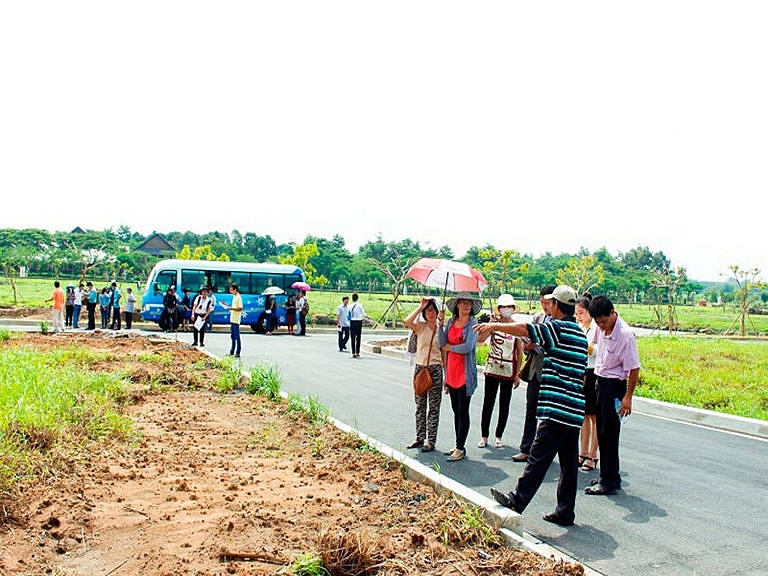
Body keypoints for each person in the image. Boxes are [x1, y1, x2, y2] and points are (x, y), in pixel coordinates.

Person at [478, 285, 587, 527]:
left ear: (557, 305)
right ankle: (565, 511)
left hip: (557, 407)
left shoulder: (557, 328)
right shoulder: (579, 333)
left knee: (538, 457)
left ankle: (516, 501)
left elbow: (527, 329)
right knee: (568, 464)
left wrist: (495, 326)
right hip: (574, 408)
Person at [584, 295, 641, 496]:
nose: (601, 326)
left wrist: (628, 397)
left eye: (604, 321)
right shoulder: (601, 329)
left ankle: (608, 481)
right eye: (598, 322)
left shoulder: (625, 335)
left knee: (609, 434)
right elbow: (595, 347)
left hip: (614, 386)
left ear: (612, 313)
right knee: (602, 432)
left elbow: (634, 368)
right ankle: (607, 476)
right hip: (601, 381)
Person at [512, 285, 556, 463]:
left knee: (549, 416)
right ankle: (526, 448)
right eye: (542, 302)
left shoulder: (560, 322)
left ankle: (544, 452)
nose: (545, 306)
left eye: (548, 303)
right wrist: (529, 346)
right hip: (535, 371)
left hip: (551, 374)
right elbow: (526, 342)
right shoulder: (537, 317)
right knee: (531, 411)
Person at [476, 294, 524, 450]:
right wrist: (490, 325)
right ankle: (484, 436)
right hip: (492, 368)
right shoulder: (494, 325)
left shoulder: (516, 327)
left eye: (509, 307)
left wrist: (517, 374)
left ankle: (498, 436)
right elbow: (480, 339)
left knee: (505, 404)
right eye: (503, 307)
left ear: (513, 308)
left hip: (508, 370)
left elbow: (519, 352)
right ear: (499, 309)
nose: (506, 309)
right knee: (488, 403)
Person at [439, 292, 481, 462]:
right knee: (456, 410)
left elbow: (468, 346)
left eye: (468, 303)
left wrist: (451, 348)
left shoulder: (473, 324)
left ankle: (460, 447)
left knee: (463, 410)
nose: (466, 306)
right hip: (451, 371)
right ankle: (458, 444)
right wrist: (440, 325)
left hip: (465, 373)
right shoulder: (451, 322)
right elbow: (442, 343)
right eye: (463, 303)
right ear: (457, 305)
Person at [404, 297, 444, 453]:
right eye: (428, 311)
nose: (431, 313)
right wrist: (421, 307)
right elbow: (407, 321)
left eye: (433, 310)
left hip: (435, 369)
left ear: (437, 311)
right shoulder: (420, 327)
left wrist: (446, 372)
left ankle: (431, 441)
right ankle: (419, 438)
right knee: (420, 405)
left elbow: (445, 351)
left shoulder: (442, 329)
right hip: (420, 369)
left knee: (434, 407)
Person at [575, 294, 599, 472]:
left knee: (594, 416)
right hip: (582, 371)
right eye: (576, 314)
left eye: (581, 313)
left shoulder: (597, 328)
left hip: (594, 372)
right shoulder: (579, 327)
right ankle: (582, 452)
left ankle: (592, 455)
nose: (579, 317)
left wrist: (585, 345)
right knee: (583, 415)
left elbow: (598, 351)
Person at [221, 283, 243, 357]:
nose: (230, 291)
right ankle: (232, 351)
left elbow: (240, 308)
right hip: (233, 319)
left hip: (236, 320)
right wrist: (227, 305)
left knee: (237, 336)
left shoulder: (238, 297)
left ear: (235, 289)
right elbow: (234, 307)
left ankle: (238, 352)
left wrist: (230, 308)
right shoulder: (234, 296)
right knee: (233, 336)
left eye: (231, 290)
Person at [348, 292, 367, 358]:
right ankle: (357, 352)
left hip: (352, 322)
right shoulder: (359, 305)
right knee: (358, 337)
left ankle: (353, 353)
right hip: (359, 322)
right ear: (357, 298)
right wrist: (367, 317)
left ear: (352, 298)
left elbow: (348, 315)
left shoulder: (350, 306)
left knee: (352, 337)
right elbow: (364, 314)